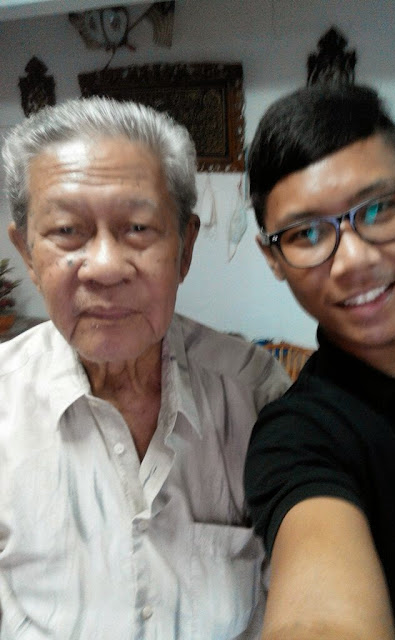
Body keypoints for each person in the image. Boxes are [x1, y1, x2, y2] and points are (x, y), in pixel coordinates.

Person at [0, 97, 291, 639]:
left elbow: (294, 588)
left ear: (185, 248)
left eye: (137, 227)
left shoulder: (255, 395)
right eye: (66, 230)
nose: (105, 267)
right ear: (27, 254)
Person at [244, 84, 395, 640]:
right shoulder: (300, 438)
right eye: (306, 233)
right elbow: (319, 613)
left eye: (377, 209)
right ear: (273, 258)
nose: (353, 260)